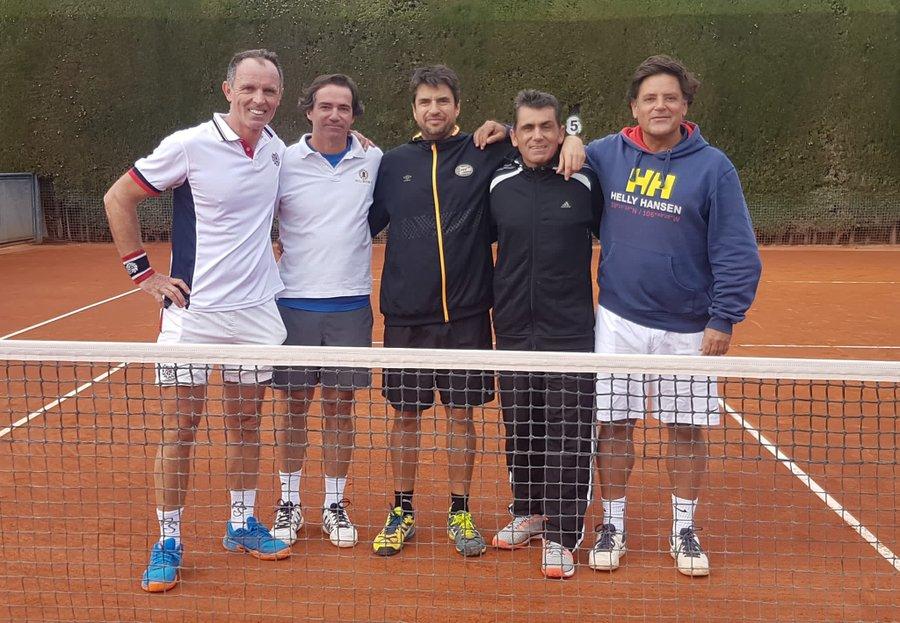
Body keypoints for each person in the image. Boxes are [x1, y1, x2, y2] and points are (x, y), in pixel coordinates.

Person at [367, 65, 586, 558]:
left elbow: (538, 139)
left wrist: (575, 136)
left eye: (443, 100)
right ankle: (402, 509)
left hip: (467, 315)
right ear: (414, 110)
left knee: (461, 416)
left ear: (458, 106)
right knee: (405, 416)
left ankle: (459, 511)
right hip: (406, 316)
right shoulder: (392, 163)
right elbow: (360, 220)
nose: (434, 109)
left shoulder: (486, 152)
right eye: (425, 102)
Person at [103, 49, 292, 593]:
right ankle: (168, 539)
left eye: (270, 92)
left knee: (246, 426)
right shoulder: (189, 145)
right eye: (250, 89)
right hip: (194, 317)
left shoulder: (278, 150)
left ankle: (240, 525)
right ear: (227, 89)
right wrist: (144, 275)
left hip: (256, 316)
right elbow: (120, 197)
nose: (260, 100)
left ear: (280, 98)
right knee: (181, 429)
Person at [584, 55, 762, 576]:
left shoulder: (713, 168)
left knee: (685, 429)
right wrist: (505, 130)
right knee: (613, 426)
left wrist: (723, 317)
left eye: (670, 97)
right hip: (618, 321)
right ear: (634, 107)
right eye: (649, 98)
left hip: (687, 328)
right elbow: (540, 142)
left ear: (685, 104)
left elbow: (738, 250)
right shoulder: (605, 154)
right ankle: (611, 521)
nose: (659, 106)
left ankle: (683, 525)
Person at [488, 89, 602, 578]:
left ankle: (562, 533)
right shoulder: (497, 182)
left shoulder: (588, 182)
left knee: (569, 434)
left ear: (560, 132)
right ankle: (528, 512)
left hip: (570, 330)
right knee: (523, 428)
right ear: (515, 136)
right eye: (528, 128)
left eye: (548, 127)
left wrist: (581, 137)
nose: (538, 135)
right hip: (513, 328)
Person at [269, 74, 382, 549]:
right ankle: (289, 501)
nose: (334, 115)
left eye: (344, 108)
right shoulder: (281, 161)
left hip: (351, 306)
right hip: (293, 304)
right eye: (325, 106)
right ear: (309, 111)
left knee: (340, 408)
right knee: (293, 408)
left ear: (354, 115)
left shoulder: (374, 159)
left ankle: (334, 502)